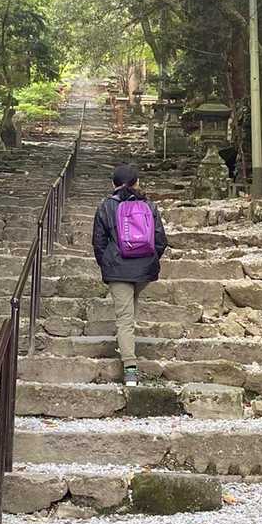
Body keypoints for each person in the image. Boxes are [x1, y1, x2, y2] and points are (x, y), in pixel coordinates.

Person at [91, 162, 168, 386]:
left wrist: (107, 264)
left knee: (124, 320)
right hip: (144, 269)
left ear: (113, 183)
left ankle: (130, 369)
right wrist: (149, 261)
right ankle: (127, 348)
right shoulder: (149, 205)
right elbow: (160, 240)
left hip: (117, 269)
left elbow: (98, 242)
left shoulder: (106, 206)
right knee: (129, 312)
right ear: (137, 182)